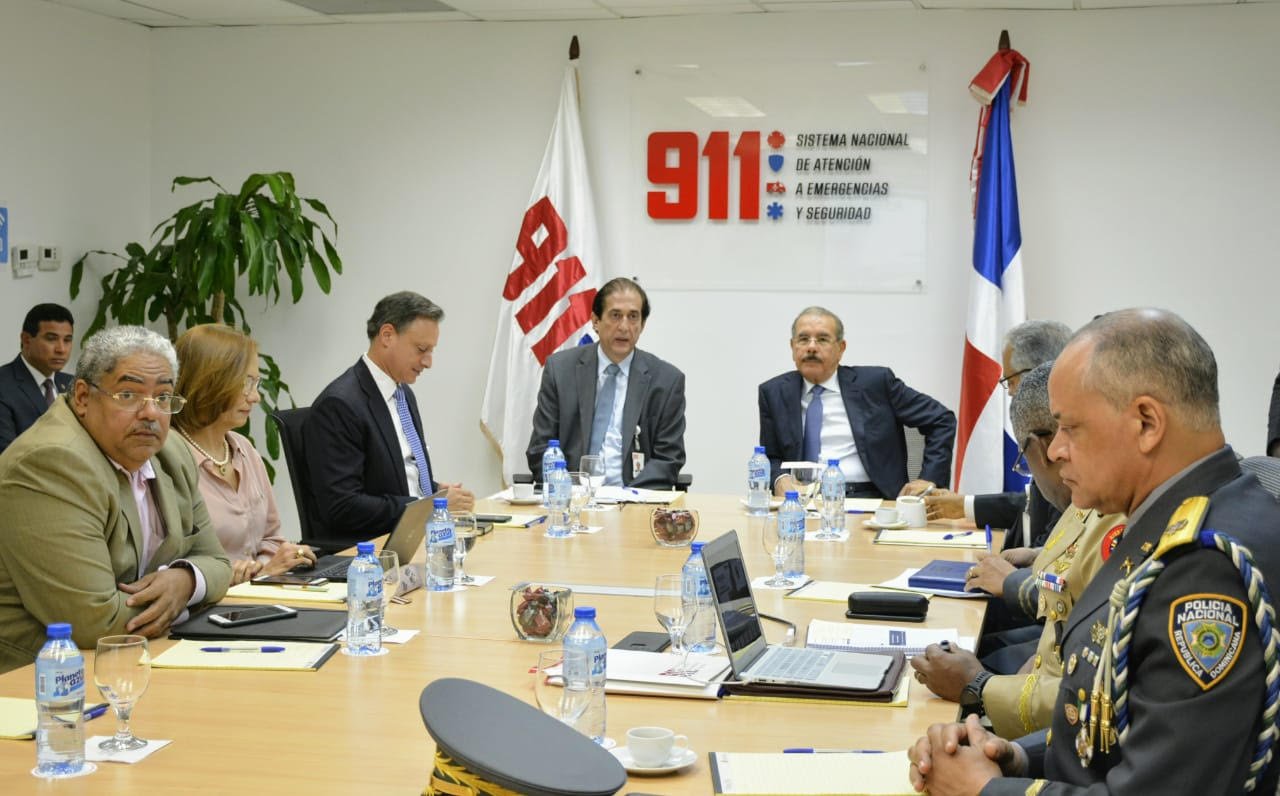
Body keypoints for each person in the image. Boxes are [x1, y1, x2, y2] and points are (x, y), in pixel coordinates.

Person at [908, 308, 1280, 795]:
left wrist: (985, 790)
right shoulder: (1176, 518)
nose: (1054, 450)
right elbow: (1110, 724)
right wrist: (1012, 756)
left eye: (1070, 428)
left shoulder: (1203, 569)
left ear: (1146, 423)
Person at [0, 325, 232, 673]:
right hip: (42, 678)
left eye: (163, 397)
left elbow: (217, 562)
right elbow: (94, 619)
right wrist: (186, 599)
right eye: (128, 395)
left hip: (135, 659)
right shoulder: (51, 463)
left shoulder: (171, 452)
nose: (150, 413)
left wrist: (185, 579)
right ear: (82, 397)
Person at [909, 362, 1123, 737]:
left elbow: (1093, 698)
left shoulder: (1114, 507)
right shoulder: (1093, 498)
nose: (1058, 452)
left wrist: (980, 689)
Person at [306, 291, 474, 548]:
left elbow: (393, 477)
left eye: (431, 351)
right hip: (372, 549)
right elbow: (343, 506)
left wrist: (434, 490)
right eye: (421, 349)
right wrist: (429, 505)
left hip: (414, 536)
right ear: (387, 336)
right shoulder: (340, 405)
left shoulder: (402, 393)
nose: (428, 362)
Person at [758, 306, 955, 499]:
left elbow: (941, 419)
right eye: (803, 339)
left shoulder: (876, 383)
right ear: (792, 347)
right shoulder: (774, 393)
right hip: (804, 500)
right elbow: (770, 455)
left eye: (823, 339)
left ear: (841, 348)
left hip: (872, 497)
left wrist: (929, 479)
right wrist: (779, 479)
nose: (811, 347)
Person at [173, 324, 316, 585]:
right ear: (209, 381)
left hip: (259, 592)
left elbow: (271, 537)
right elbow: (172, 564)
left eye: (256, 383)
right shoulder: (168, 459)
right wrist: (252, 575)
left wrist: (265, 569)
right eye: (246, 383)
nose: (256, 397)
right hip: (209, 602)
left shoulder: (244, 448)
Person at [526, 277, 686, 488]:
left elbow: (668, 459)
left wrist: (627, 497)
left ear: (642, 325)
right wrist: (569, 491)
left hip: (635, 498)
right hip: (572, 497)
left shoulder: (666, 381)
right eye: (615, 315)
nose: (624, 327)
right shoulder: (560, 371)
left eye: (633, 317)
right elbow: (541, 449)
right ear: (595, 321)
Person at [924, 319, 1072, 546]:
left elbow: (1055, 543)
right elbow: (1036, 504)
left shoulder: (1056, 440)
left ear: (1038, 373)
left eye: (1010, 380)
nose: (1009, 392)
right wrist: (964, 505)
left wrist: (1017, 565)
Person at [0, 303, 75, 453]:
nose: (61, 349)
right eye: (51, 339)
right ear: (26, 340)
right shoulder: (3, 386)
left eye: (67, 340)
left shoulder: (73, 384)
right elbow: (7, 455)